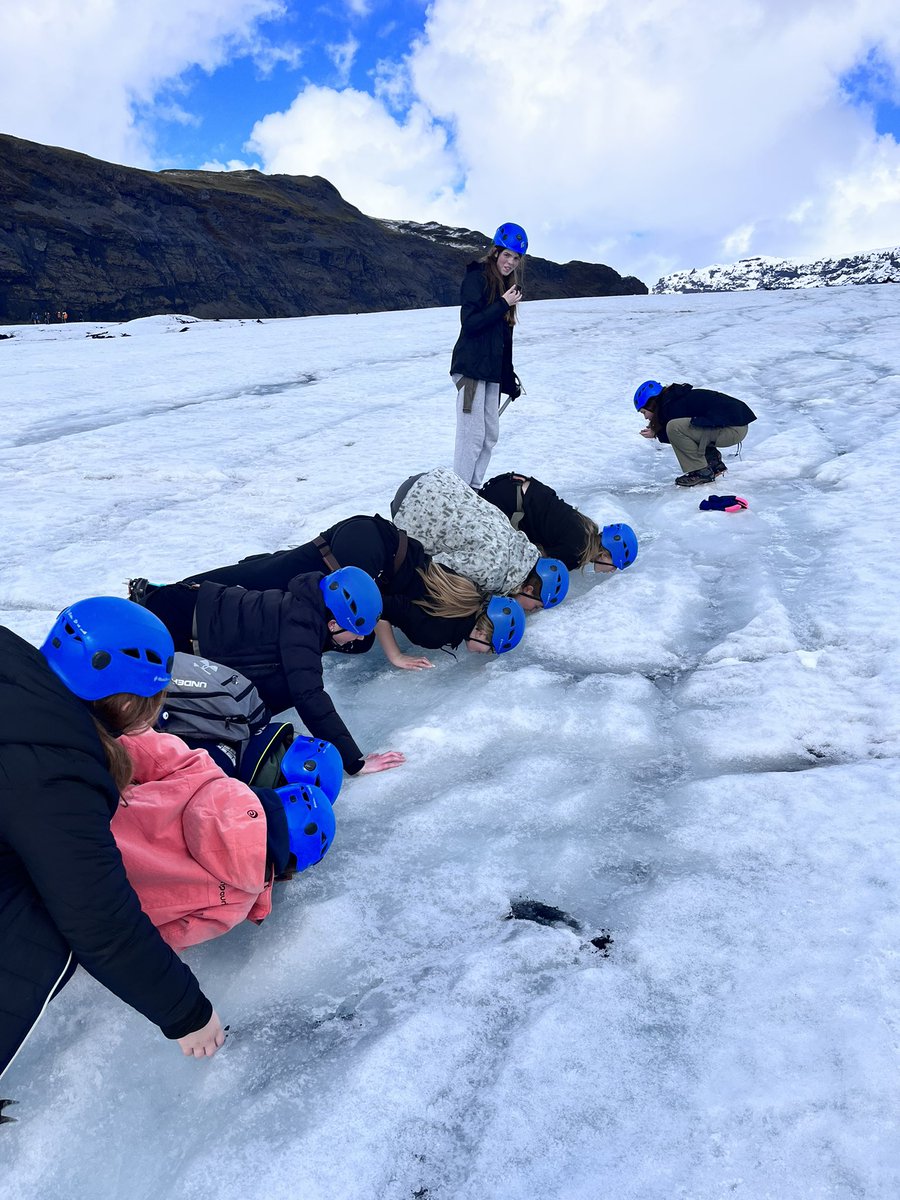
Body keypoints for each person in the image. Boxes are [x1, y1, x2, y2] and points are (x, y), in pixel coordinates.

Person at [0, 597, 225, 1082]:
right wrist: (187, 1014)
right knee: (45, 914)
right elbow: (98, 918)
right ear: (126, 702)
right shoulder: (54, 770)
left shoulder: (12, 658)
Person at [130, 566, 404, 777]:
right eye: (355, 634)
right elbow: (310, 696)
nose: (357, 641)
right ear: (333, 624)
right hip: (173, 624)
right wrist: (354, 762)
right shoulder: (301, 625)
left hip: (185, 613)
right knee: (135, 692)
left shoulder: (306, 608)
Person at [111, 729, 337, 951]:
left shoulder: (204, 772)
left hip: (85, 819)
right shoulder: (232, 907)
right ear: (292, 863)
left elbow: (135, 741)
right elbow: (160, 940)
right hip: (91, 897)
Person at [391, 467, 570, 609]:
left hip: (438, 482)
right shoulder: (492, 570)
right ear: (529, 590)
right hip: (413, 505)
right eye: (536, 607)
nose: (532, 611)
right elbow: (431, 566)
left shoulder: (517, 546)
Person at [450, 222, 528, 487]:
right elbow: (470, 323)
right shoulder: (477, 278)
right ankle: (460, 493)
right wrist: (502, 303)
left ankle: (473, 489)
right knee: (471, 435)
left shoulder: (507, 288)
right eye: (507, 254)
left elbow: (504, 341)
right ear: (495, 251)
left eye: (516, 257)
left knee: (489, 435)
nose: (511, 262)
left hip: (491, 373)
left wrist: (508, 380)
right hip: (471, 370)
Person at [478, 472, 638, 573]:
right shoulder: (575, 553)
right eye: (614, 565)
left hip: (508, 485)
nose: (611, 571)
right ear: (605, 555)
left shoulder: (585, 527)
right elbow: (533, 569)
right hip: (505, 502)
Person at [634, 380, 757, 487]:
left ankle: (700, 471)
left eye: (644, 412)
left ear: (651, 404)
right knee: (689, 427)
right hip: (737, 426)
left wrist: (656, 433)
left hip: (732, 429)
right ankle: (714, 463)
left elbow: (672, 433)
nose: (645, 417)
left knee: (674, 428)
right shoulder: (673, 399)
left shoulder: (672, 406)